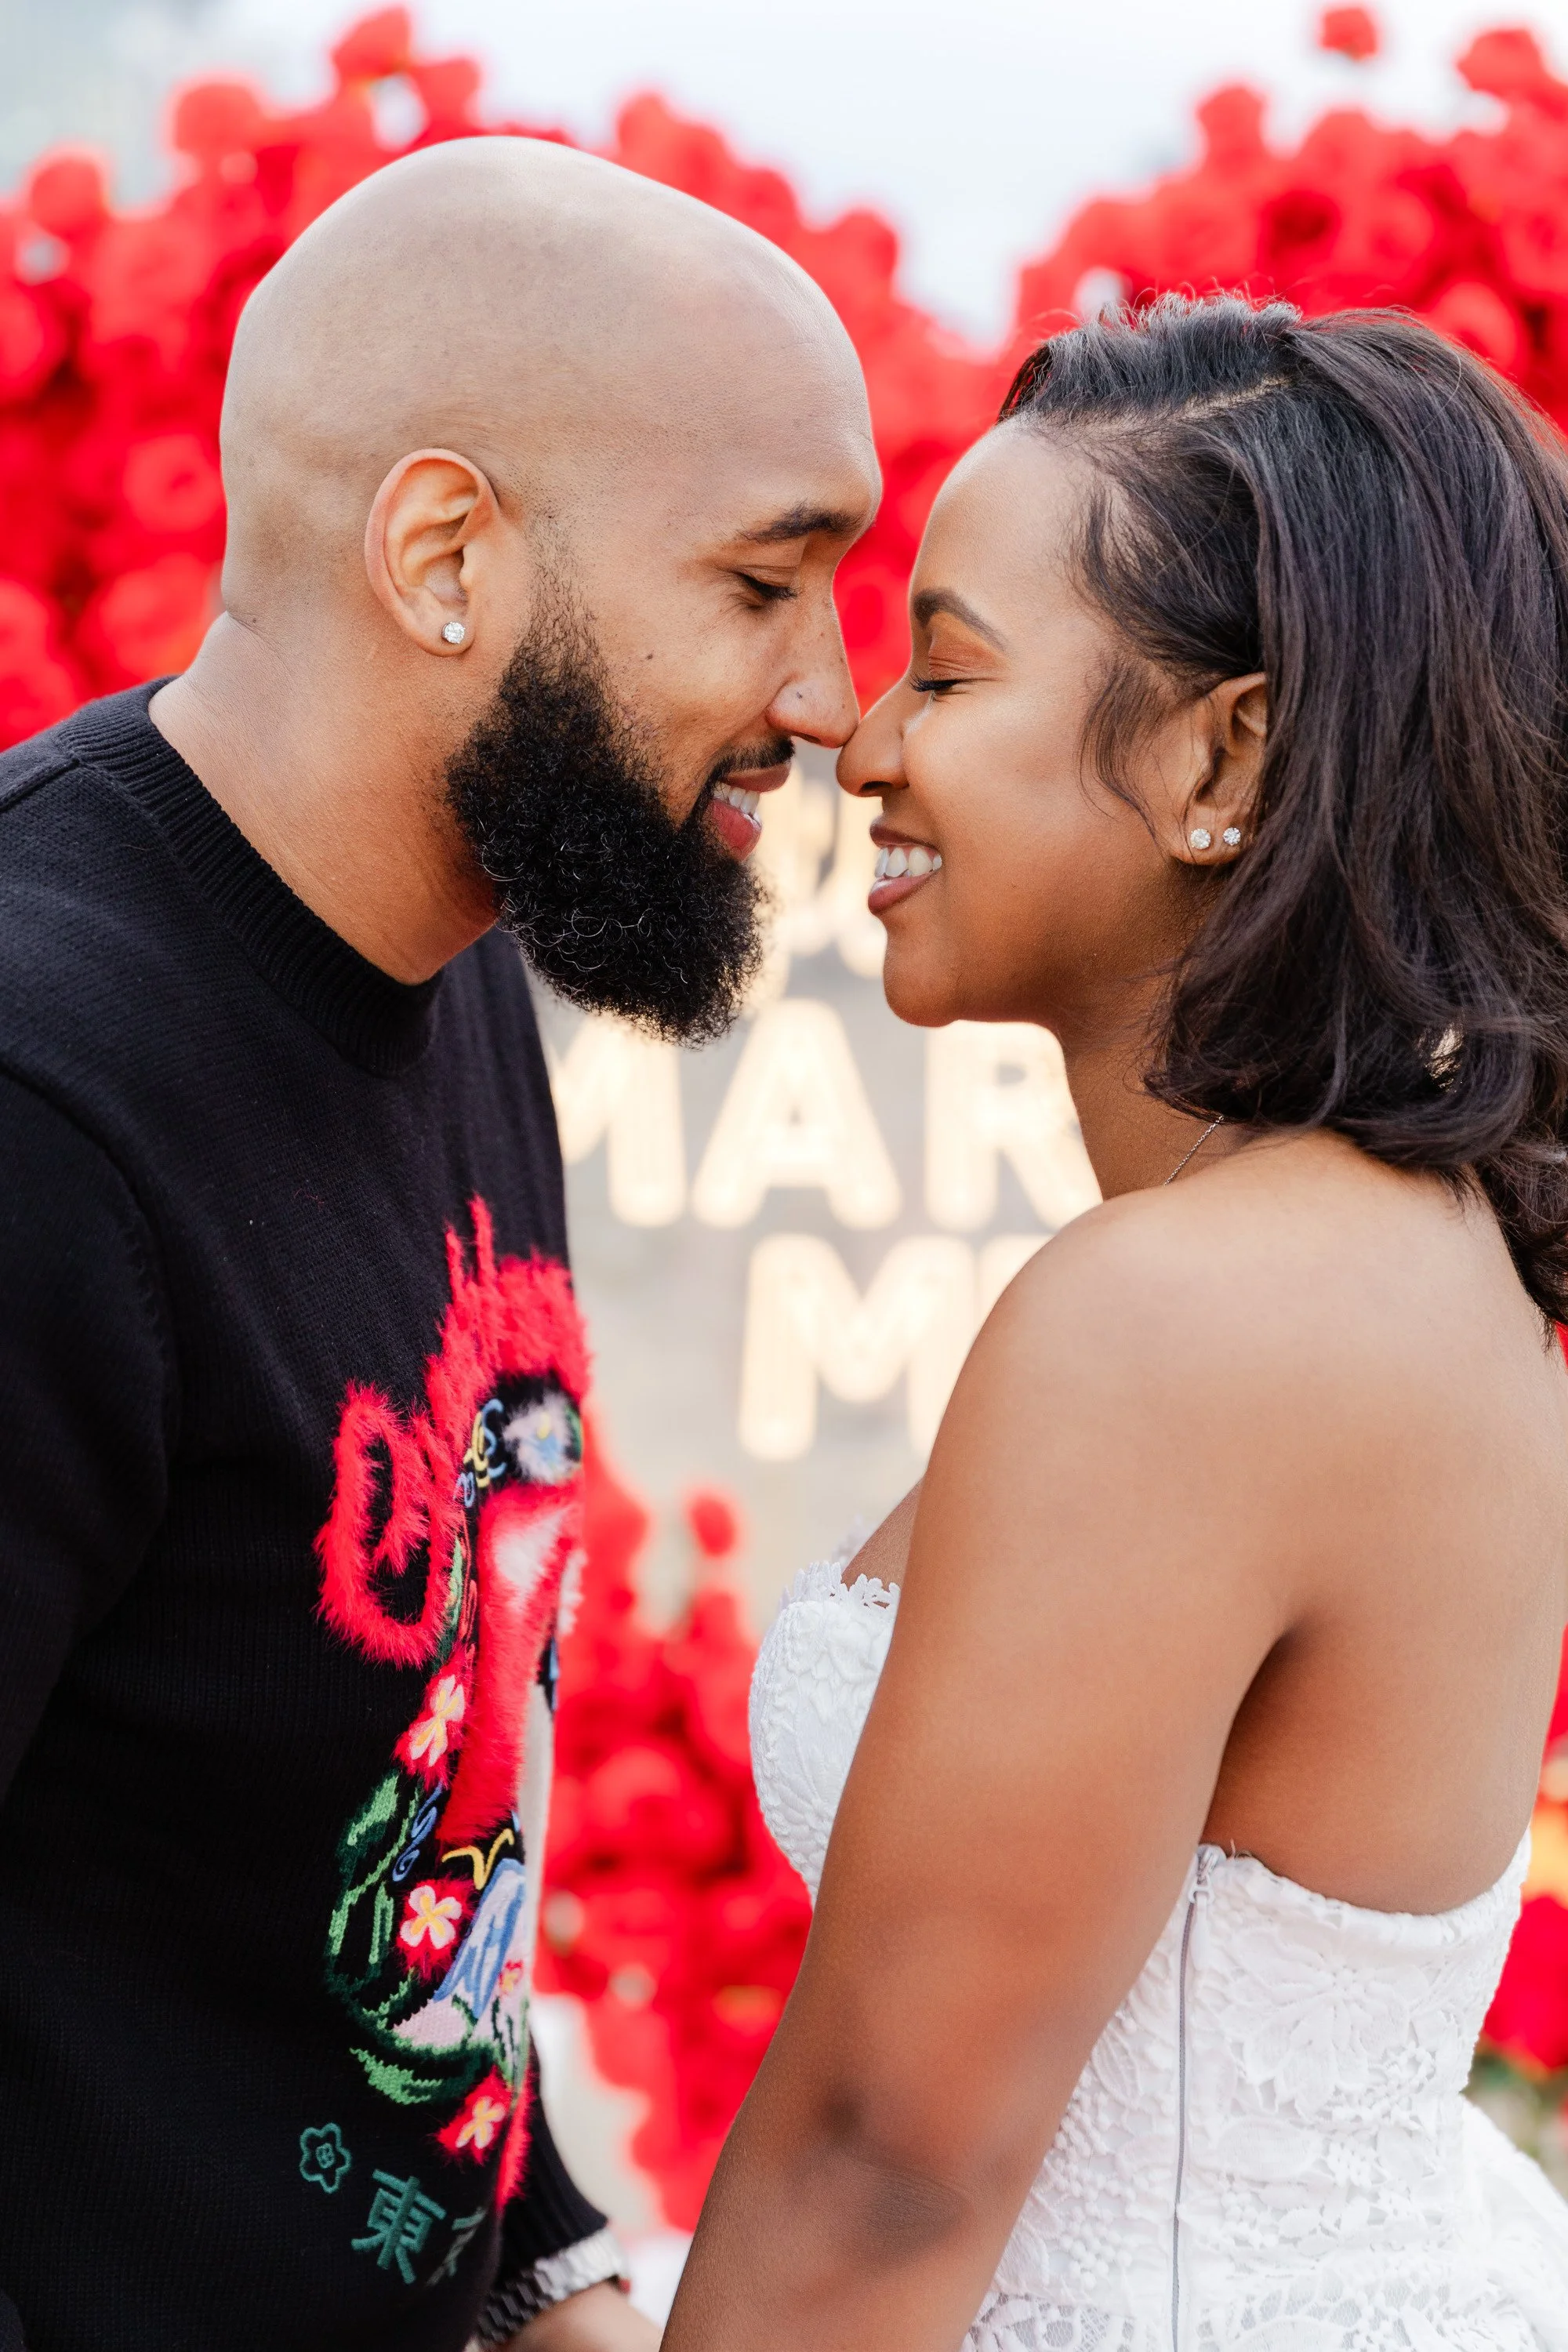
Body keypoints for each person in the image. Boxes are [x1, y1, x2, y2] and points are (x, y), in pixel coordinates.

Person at [0, 135, 877, 2352]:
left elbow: (378, 1849)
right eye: (767, 580)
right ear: (445, 554)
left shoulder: (452, 958)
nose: (829, 696)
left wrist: (549, 2264)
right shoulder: (46, 1106)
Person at [663, 295, 1568, 2350]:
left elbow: (890, 2165)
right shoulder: (1403, 1250)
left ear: (1219, 753)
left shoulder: (1186, 1323)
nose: (861, 738)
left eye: (949, 669)